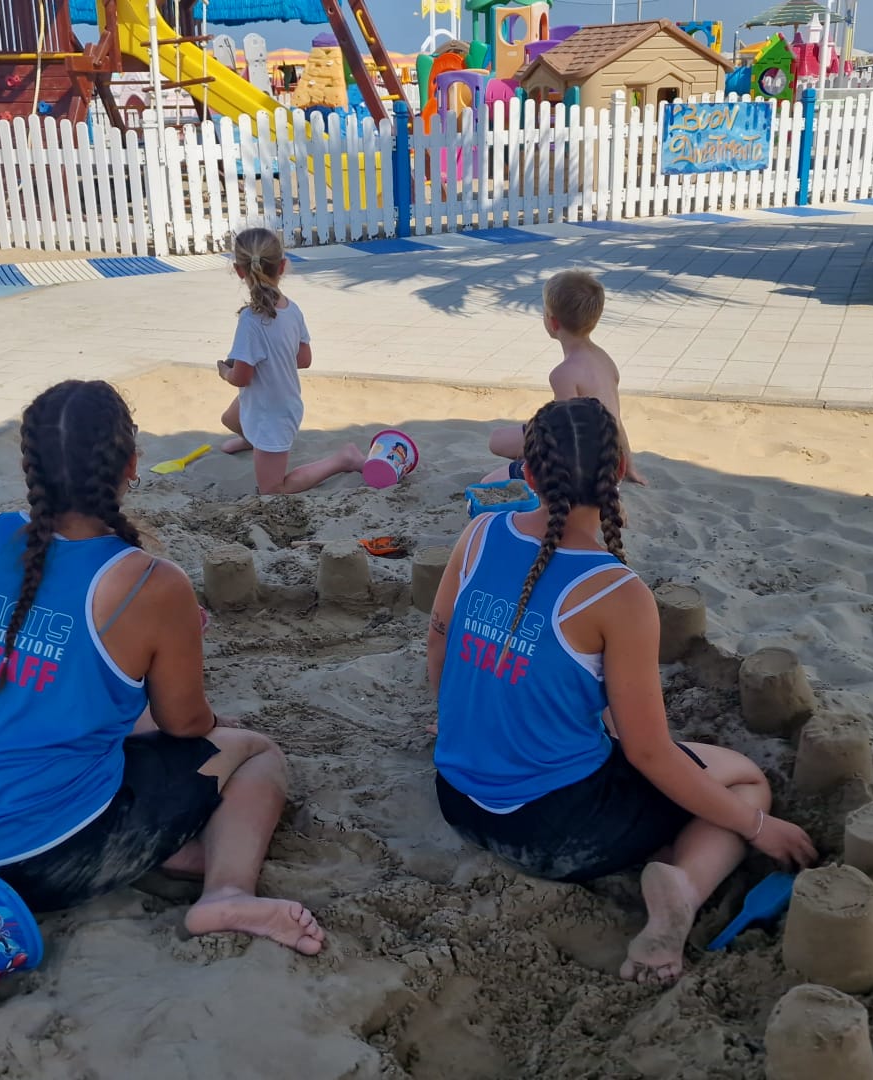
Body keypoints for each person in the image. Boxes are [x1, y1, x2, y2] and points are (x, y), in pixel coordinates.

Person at [0, 379, 326, 954]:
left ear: (30, 466)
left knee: (104, 738)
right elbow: (186, 725)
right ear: (129, 464)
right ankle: (225, 892)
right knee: (254, 753)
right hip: (45, 857)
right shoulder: (149, 581)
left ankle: (164, 853)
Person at [428, 398, 816, 985]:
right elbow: (649, 753)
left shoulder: (480, 533)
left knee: (600, 729)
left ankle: (667, 859)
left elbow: (438, 640)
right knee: (743, 779)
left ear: (527, 474)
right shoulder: (618, 591)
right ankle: (682, 889)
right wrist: (759, 828)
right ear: (619, 472)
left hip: (456, 795)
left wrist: (454, 722)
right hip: (552, 833)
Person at [215, 227, 364, 494]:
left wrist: (225, 371)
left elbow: (242, 378)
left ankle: (344, 459)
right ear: (282, 266)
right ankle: (253, 442)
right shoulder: (291, 309)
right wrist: (275, 358)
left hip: (273, 414)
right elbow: (304, 359)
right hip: (275, 398)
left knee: (272, 489)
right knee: (229, 418)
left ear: (239, 271)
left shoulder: (250, 321)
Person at [484, 270, 646, 486]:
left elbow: (566, 434)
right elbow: (617, 421)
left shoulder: (563, 374)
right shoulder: (604, 359)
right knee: (498, 439)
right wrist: (629, 467)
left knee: (488, 481)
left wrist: (536, 463)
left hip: (582, 465)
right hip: (610, 459)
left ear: (553, 322)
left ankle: (529, 467)